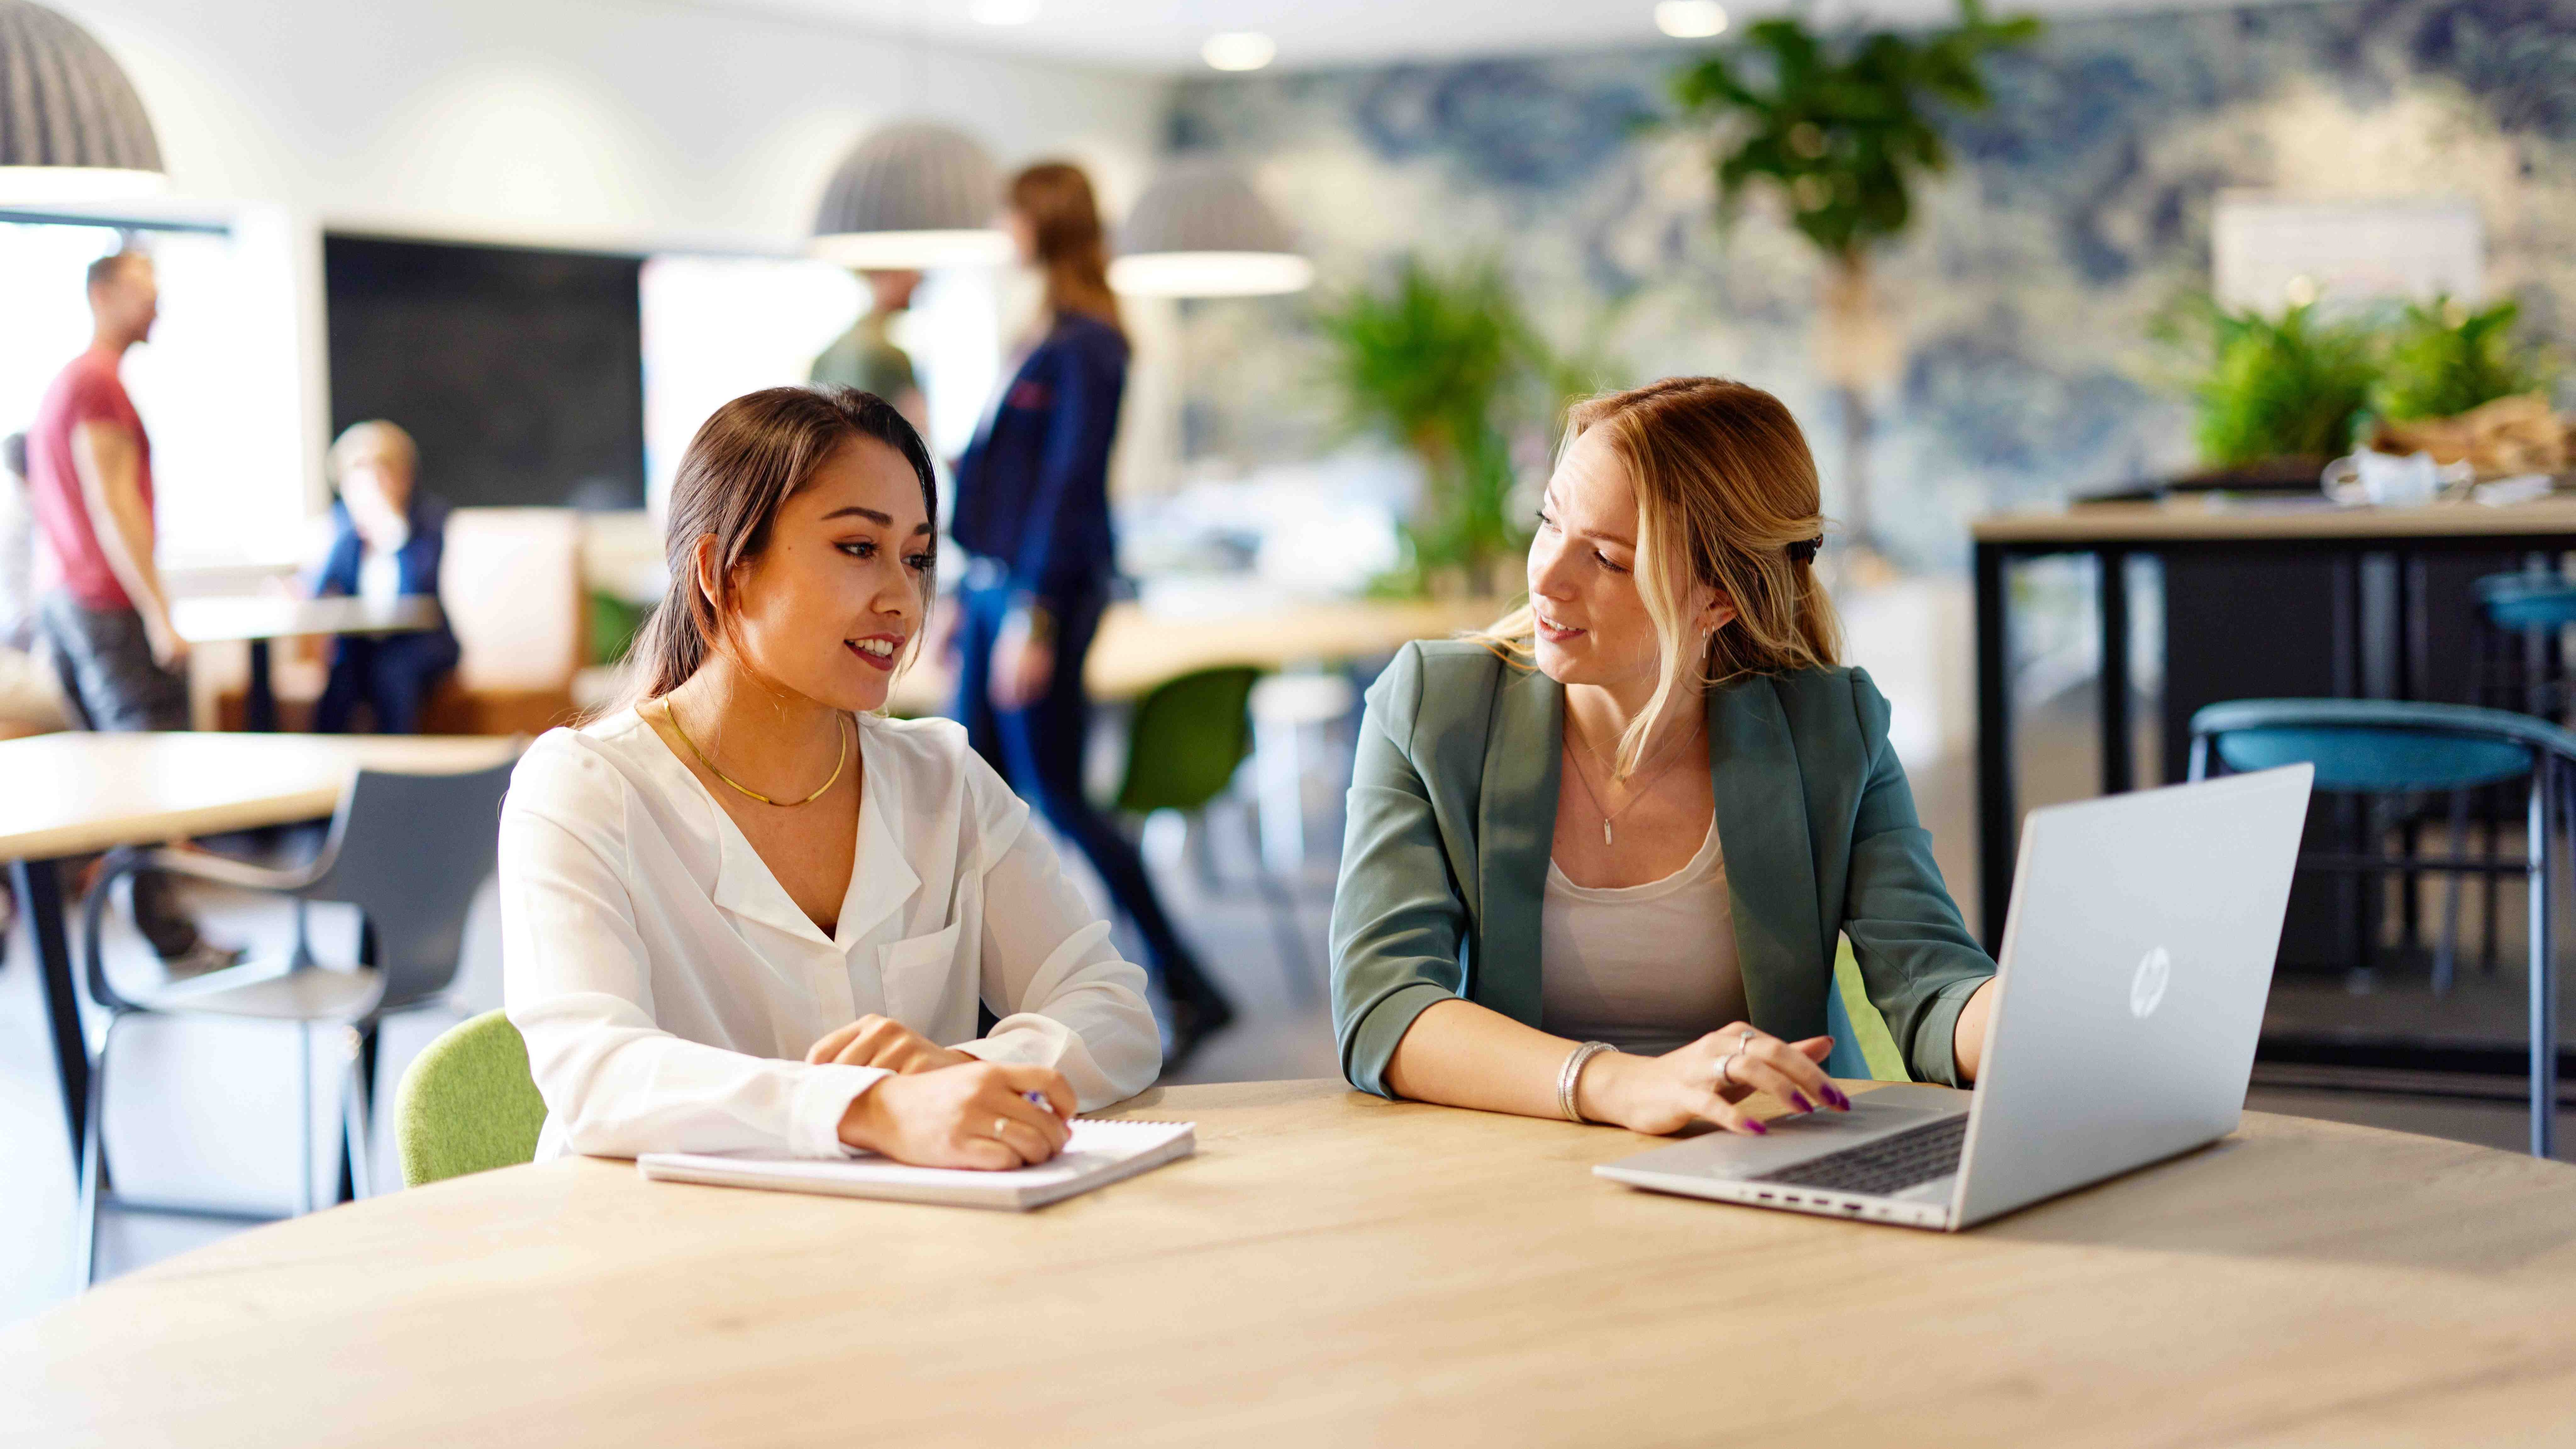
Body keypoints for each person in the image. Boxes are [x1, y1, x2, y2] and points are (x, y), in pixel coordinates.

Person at [501, 386, 1159, 1168]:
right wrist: (867, 1108)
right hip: (659, 1237)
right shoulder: (582, 790)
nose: (903, 601)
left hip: (906, 1235)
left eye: (916, 559)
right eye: (857, 548)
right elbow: (597, 1075)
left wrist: (956, 1074)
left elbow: (1114, 1011)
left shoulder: (942, 780)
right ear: (722, 571)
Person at [1329, 377, 1997, 1137]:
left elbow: (1934, 986)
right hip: (1514, 1163)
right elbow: (1382, 1004)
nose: (1546, 576)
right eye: (1548, 522)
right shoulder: (1434, 709)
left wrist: (2042, 1011)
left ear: (1718, 600)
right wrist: (1618, 1084)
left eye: (1606, 559)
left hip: (1762, 1157)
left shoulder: (1830, 730)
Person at [949, 161, 1236, 1063]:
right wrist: (964, 591)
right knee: (968, 795)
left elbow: (1070, 487)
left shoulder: (1091, 345)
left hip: (1042, 595)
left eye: (1009, 214)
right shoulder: (1035, 333)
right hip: (992, 587)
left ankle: (1186, 982)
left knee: (1059, 797)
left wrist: (1032, 616)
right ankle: (977, 1005)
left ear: (1042, 220)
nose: (1000, 230)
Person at [24, 250, 235, 974]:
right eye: (144, 291)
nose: (157, 305)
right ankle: (168, 936)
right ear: (103, 293)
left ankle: (146, 929)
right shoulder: (96, 384)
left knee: (117, 775)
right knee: (149, 771)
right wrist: (158, 613)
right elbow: (113, 502)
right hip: (105, 605)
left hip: (67, 601)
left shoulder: (68, 384)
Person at [310, 420, 461, 734]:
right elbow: (321, 586)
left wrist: (390, 528)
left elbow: (417, 592)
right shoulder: (346, 526)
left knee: (393, 673)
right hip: (364, 645)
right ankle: (327, 758)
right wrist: (348, 532)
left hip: (419, 643)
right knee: (341, 675)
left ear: (403, 477)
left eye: (381, 475)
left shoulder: (429, 521)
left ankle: (398, 758)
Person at [810, 270, 929, 436]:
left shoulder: (826, 355)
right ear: (886, 277)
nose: (917, 285)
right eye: (911, 276)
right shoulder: (890, 355)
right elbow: (918, 428)